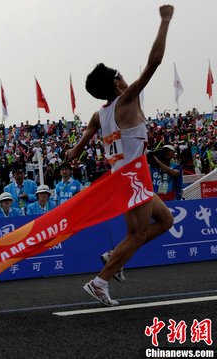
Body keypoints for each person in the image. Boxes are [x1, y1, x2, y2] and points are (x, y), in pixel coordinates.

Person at [67, 5, 174, 306]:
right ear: (117, 83)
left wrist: (75, 151)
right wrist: (165, 20)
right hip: (131, 178)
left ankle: (116, 257)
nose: (127, 79)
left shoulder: (100, 114)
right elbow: (154, 63)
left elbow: (85, 137)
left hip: (126, 177)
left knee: (166, 219)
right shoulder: (127, 100)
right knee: (137, 234)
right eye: (122, 76)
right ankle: (100, 281)